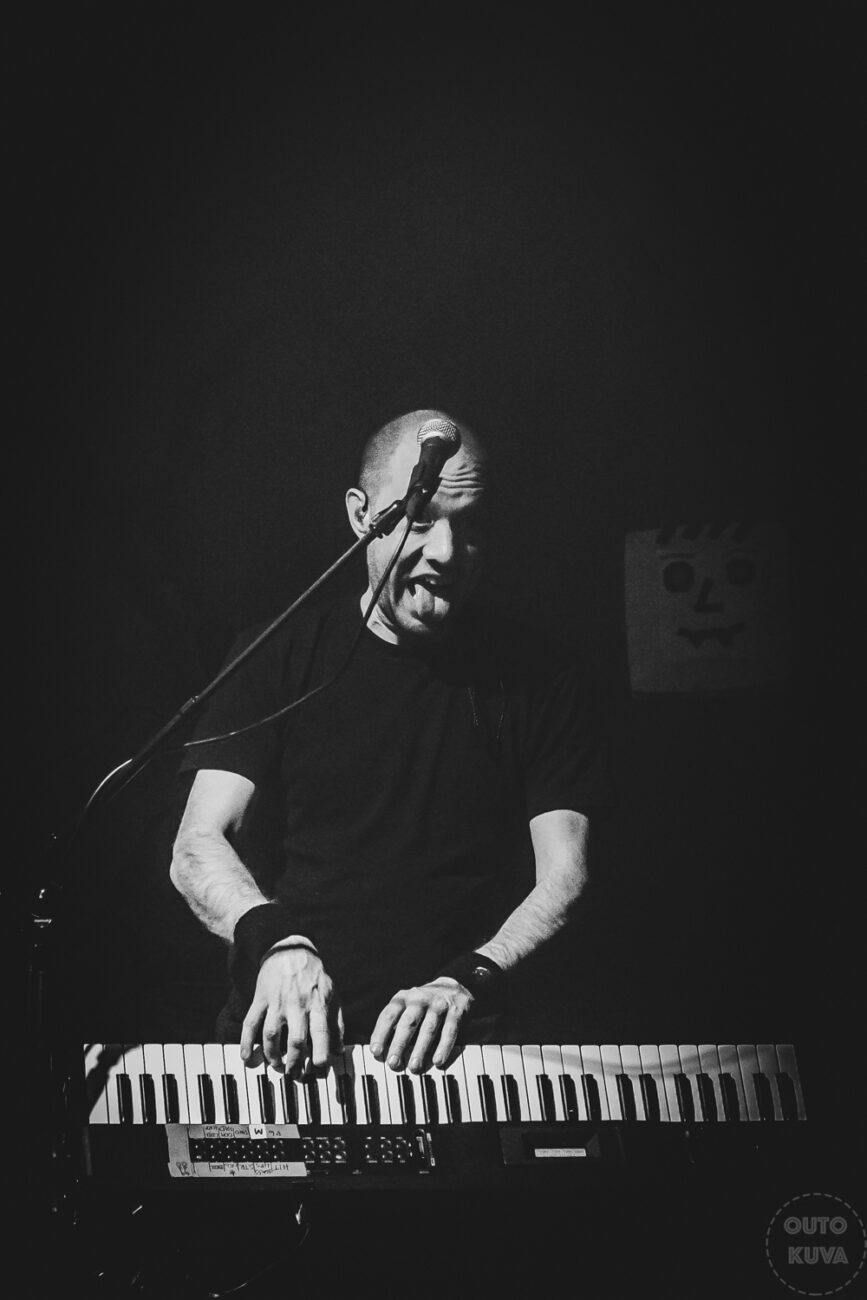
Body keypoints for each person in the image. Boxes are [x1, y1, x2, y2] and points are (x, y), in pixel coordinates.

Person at [170, 408, 609, 1079]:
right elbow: (197, 845)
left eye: (469, 526)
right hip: (291, 1051)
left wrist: (470, 979)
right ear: (360, 515)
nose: (446, 552)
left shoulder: (539, 676)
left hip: (466, 1061)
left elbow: (567, 876)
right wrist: (277, 943)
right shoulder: (277, 654)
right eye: (420, 518)